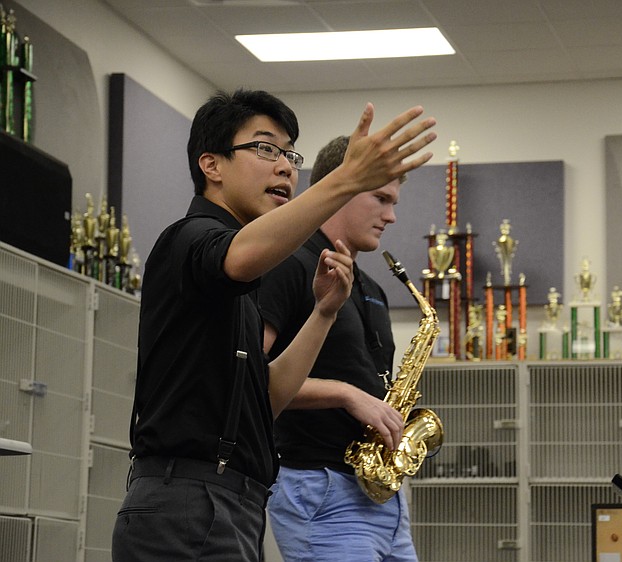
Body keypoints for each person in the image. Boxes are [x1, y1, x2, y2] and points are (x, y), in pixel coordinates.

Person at [111, 90, 436, 561]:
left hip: (234, 502)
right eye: (265, 148)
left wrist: (324, 313)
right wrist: (346, 181)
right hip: (185, 498)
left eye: (289, 153)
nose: (285, 166)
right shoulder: (193, 238)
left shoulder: (241, 282)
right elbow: (240, 255)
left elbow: (267, 396)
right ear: (212, 165)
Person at [258, 135, 416, 561]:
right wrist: (347, 395)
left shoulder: (374, 289)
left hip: (380, 493)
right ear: (342, 187)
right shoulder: (287, 264)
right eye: (381, 199)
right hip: (320, 488)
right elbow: (248, 379)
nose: (392, 216)